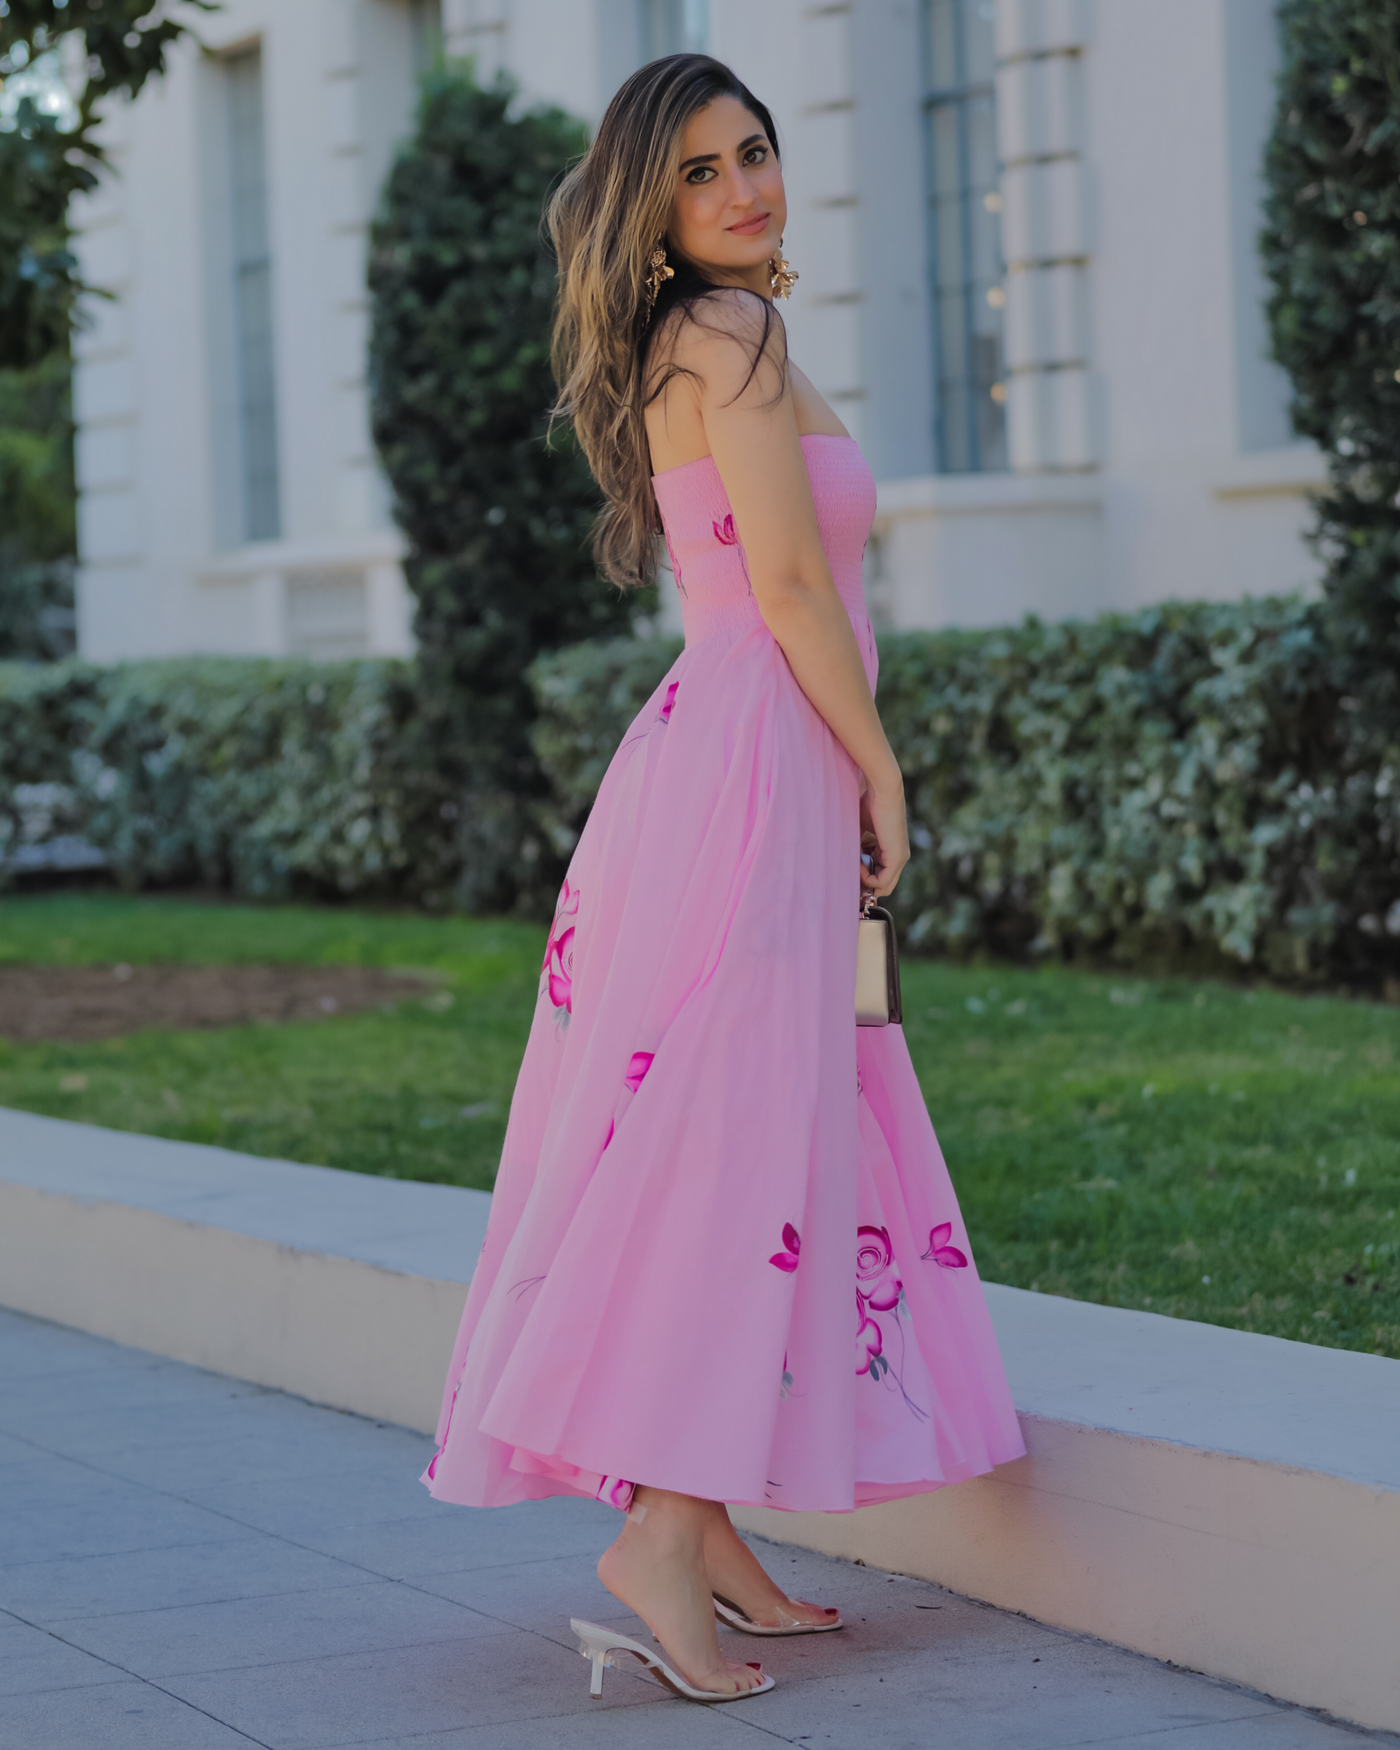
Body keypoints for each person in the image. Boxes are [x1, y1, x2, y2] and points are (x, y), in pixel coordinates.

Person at [422, 53, 1025, 1704]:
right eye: (699, 170)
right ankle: (661, 1542)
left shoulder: (710, 333)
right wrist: (883, 766)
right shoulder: (733, 333)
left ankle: (715, 1533)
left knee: (737, 1128)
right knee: (743, 1140)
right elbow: (786, 585)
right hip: (761, 768)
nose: (745, 187)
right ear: (653, 206)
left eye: (753, 152)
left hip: (720, 764)